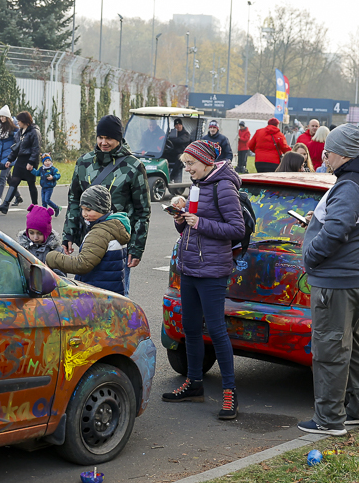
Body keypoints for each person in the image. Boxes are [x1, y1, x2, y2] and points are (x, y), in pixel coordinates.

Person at [297, 125, 359, 436]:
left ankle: (329, 419)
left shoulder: (349, 185)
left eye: (328, 151)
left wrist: (310, 256)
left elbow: (337, 231)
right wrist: (318, 221)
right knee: (354, 346)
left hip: (335, 281)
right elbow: (346, 224)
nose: (322, 156)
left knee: (329, 349)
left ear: (344, 154)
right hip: (355, 278)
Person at [161, 140, 246, 421]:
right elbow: (188, 226)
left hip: (212, 270)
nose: (187, 170)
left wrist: (200, 222)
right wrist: (180, 216)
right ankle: (194, 383)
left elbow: (236, 228)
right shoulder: (198, 184)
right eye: (185, 164)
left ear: (207, 162)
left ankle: (230, 392)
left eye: (191, 164)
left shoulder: (223, 185)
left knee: (218, 331)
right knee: (190, 328)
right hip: (190, 267)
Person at [63, 114, 150, 294]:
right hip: (89, 240)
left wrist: (137, 248)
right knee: (86, 294)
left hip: (117, 247)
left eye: (109, 138)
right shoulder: (84, 162)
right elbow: (73, 200)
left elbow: (142, 211)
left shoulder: (133, 166)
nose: (104, 142)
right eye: (101, 137)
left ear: (118, 138)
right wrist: (69, 235)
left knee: (117, 297)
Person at [47, 185, 131, 295]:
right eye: (82, 209)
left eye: (89, 209)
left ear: (101, 208)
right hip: (111, 290)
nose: (84, 214)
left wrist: (53, 257)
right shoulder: (114, 227)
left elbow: (83, 264)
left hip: (97, 293)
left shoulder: (99, 233)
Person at [0, 111, 42, 212]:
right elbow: (16, 148)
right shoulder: (20, 132)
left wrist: (31, 162)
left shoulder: (34, 132)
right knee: (14, 181)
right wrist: (9, 160)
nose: (18, 123)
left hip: (30, 160)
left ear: (25, 121)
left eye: (20, 121)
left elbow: (36, 149)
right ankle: (5, 205)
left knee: (31, 183)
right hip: (20, 160)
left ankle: (35, 206)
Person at [0, 106, 18, 201]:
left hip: (10, 156)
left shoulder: (13, 128)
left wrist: (13, 133)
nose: (1, 118)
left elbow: (18, 138)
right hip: (0, 155)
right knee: (9, 179)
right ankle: (18, 197)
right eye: (0, 116)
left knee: (2, 177)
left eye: (4, 116)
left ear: (7, 117)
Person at [166, 118, 191, 182]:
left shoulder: (186, 134)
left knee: (179, 158)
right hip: (173, 153)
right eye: (176, 125)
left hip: (183, 154)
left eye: (179, 124)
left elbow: (180, 140)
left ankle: (172, 177)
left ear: (182, 125)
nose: (178, 126)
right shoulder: (172, 134)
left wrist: (169, 139)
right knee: (162, 156)